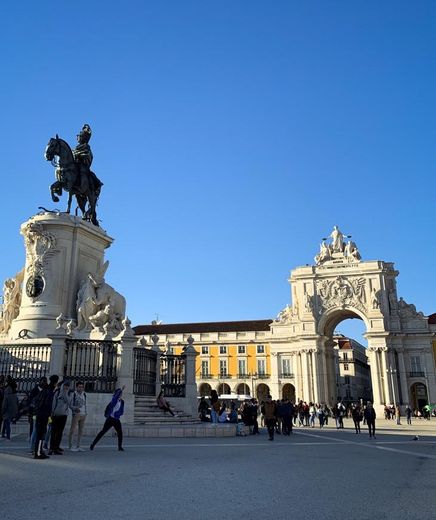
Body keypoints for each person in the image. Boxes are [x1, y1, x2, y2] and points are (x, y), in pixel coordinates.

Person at [90, 386, 125, 451]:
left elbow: (122, 410)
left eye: (121, 394)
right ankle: (93, 444)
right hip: (110, 419)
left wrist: (118, 414)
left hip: (116, 419)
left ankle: (120, 447)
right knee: (103, 432)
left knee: (120, 433)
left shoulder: (122, 401)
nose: (120, 395)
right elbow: (115, 397)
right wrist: (121, 390)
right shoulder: (114, 400)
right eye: (119, 393)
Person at [33, 374, 59, 459]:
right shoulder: (50, 391)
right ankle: (38, 453)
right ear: (55, 382)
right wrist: (49, 414)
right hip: (43, 414)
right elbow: (47, 404)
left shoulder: (46, 388)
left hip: (40, 413)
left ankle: (39, 451)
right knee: (41, 434)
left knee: (41, 433)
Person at [50, 380, 76, 455]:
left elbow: (69, 403)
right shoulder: (57, 392)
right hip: (55, 414)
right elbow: (53, 403)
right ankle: (51, 448)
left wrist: (66, 393)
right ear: (62, 385)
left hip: (64, 415)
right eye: (65, 385)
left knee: (60, 432)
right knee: (53, 432)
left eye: (68, 386)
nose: (66, 387)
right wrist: (52, 413)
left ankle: (56, 447)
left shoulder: (69, 393)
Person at [68, 381, 87, 451]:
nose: (81, 388)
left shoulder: (84, 394)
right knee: (73, 430)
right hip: (76, 414)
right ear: (76, 387)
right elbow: (70, 404)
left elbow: (85, 404)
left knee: (81, 431)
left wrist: (85, 412)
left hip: (83, 414)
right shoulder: (73, 394)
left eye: (82, 387)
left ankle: (78, 445)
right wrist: (75, 409)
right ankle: (71, 446)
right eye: (79, 387)